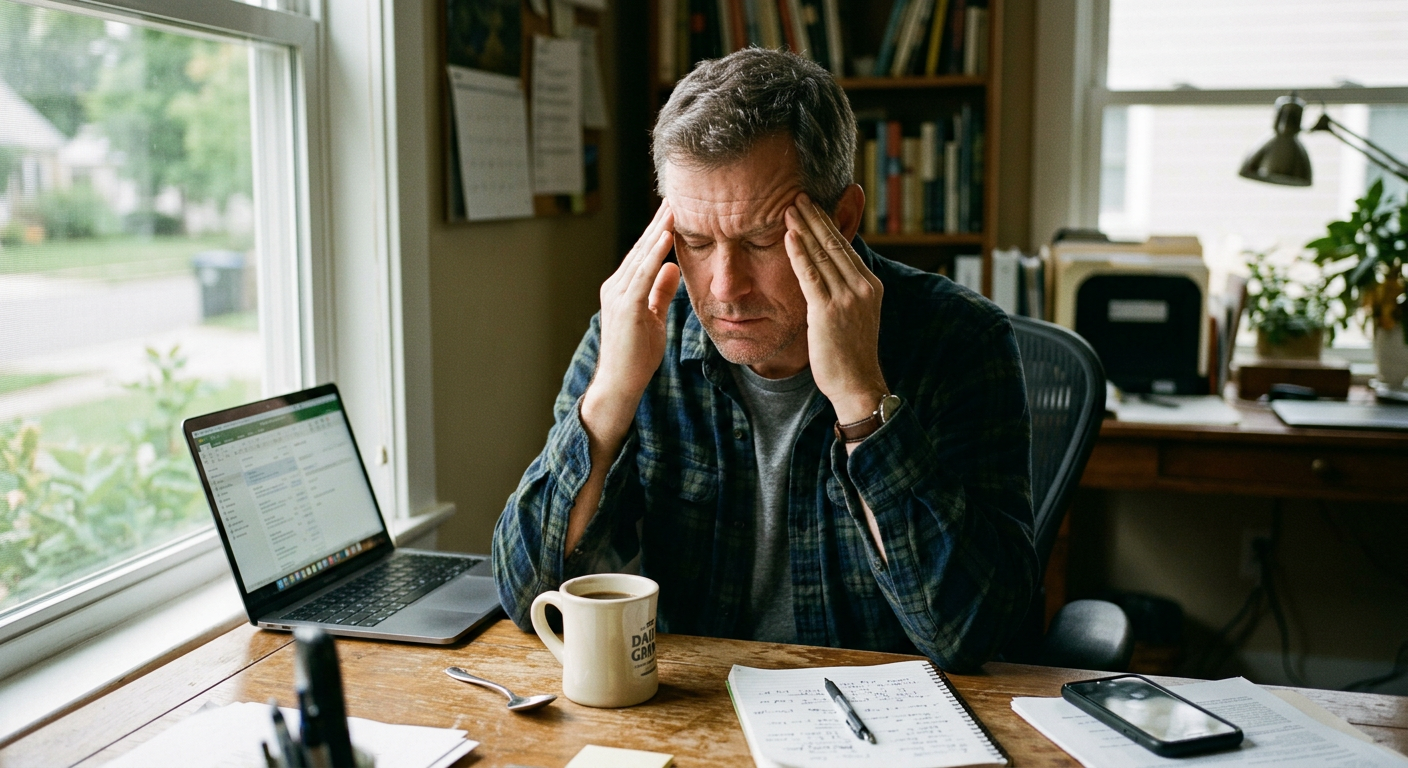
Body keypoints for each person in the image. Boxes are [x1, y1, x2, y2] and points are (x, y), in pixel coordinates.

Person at [492, 47, 1036, 671]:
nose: (725, 287)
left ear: (845, 219)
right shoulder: (637, 334)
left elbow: (972, 634)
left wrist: (863, 400)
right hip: (696, 712)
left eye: (761, 241)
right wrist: (612, 394)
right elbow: (528, 597)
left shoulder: (962, 340)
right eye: (694, 242)